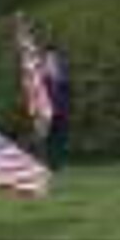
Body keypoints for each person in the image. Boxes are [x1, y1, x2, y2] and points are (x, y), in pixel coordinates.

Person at [43, 43, 72, 171]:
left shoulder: (61, 71)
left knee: (60, 138)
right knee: (48, 138)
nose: (51, 58)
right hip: (46, 111)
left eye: (53, 56)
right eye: (49, 56)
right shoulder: (40, 73)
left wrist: (57, 77)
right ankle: (48, 163)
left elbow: (67, 88)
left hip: (61, 110)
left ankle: (58, 163)